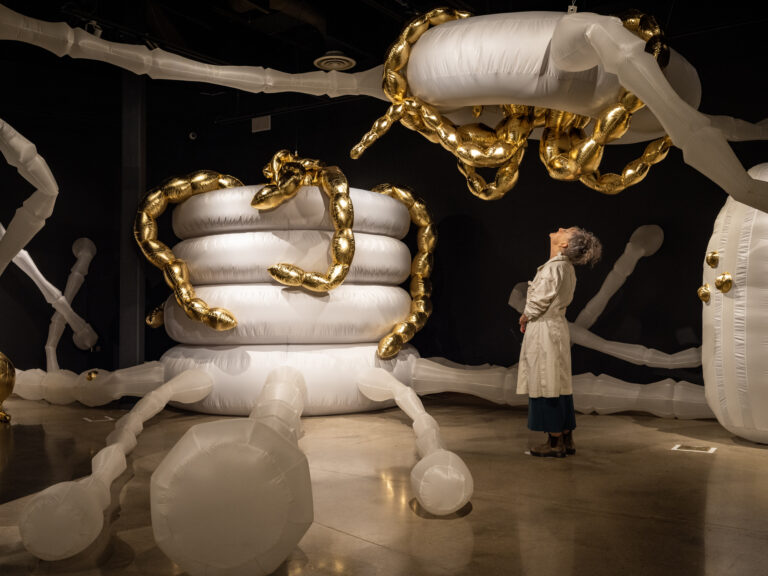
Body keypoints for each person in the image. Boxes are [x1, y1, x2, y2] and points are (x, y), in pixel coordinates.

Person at [517, 226, 602, 457]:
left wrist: (525, 315)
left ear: (564, 245)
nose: (561, 229)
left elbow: (538, 301)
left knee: (546, 380)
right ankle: (566, 436)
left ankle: (554, 442)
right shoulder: (566, 268)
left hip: (545, 328)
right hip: (556, 327)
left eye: (567, 231)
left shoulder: (554, 268)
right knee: (559, 380)